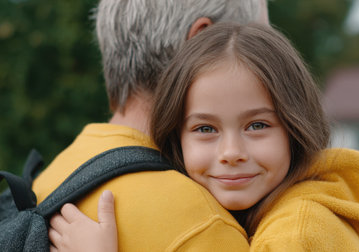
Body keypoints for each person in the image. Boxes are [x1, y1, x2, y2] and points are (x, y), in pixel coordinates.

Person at [49, 23, 359, 252]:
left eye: (257, 126)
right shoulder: (281, 213)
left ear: (296, 129)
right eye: (205, 129)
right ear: (176, 137)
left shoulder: (297, 235)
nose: (232, 152)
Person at [33, 1, 270, 251]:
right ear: (202, 42)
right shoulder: (202, 228)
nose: (272, 63)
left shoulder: (52, 175)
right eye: (260, 42)